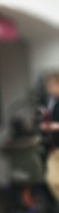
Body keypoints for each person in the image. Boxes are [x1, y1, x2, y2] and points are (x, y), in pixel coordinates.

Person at [40, 71, 59, 204]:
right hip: (54, 147)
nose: (49, 89)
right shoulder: (50, 101)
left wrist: (57, 126)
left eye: (51, 85)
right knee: (51, 180)